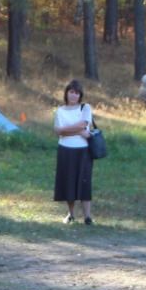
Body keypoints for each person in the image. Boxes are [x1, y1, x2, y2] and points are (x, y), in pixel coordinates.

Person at [53, 80, 96, 225]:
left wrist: (67, 130)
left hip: (83, 150)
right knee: (68, 182)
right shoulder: (60, 110)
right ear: (66, 93)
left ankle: (87, 216)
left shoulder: (85, 108)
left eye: (76, 93)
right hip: (65, 149)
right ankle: (71, 214)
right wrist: (78, 131)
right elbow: (59, 131)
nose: (73, 96)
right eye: (71, 92)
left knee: (85, 182)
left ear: (80, 95)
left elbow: (84, 124)